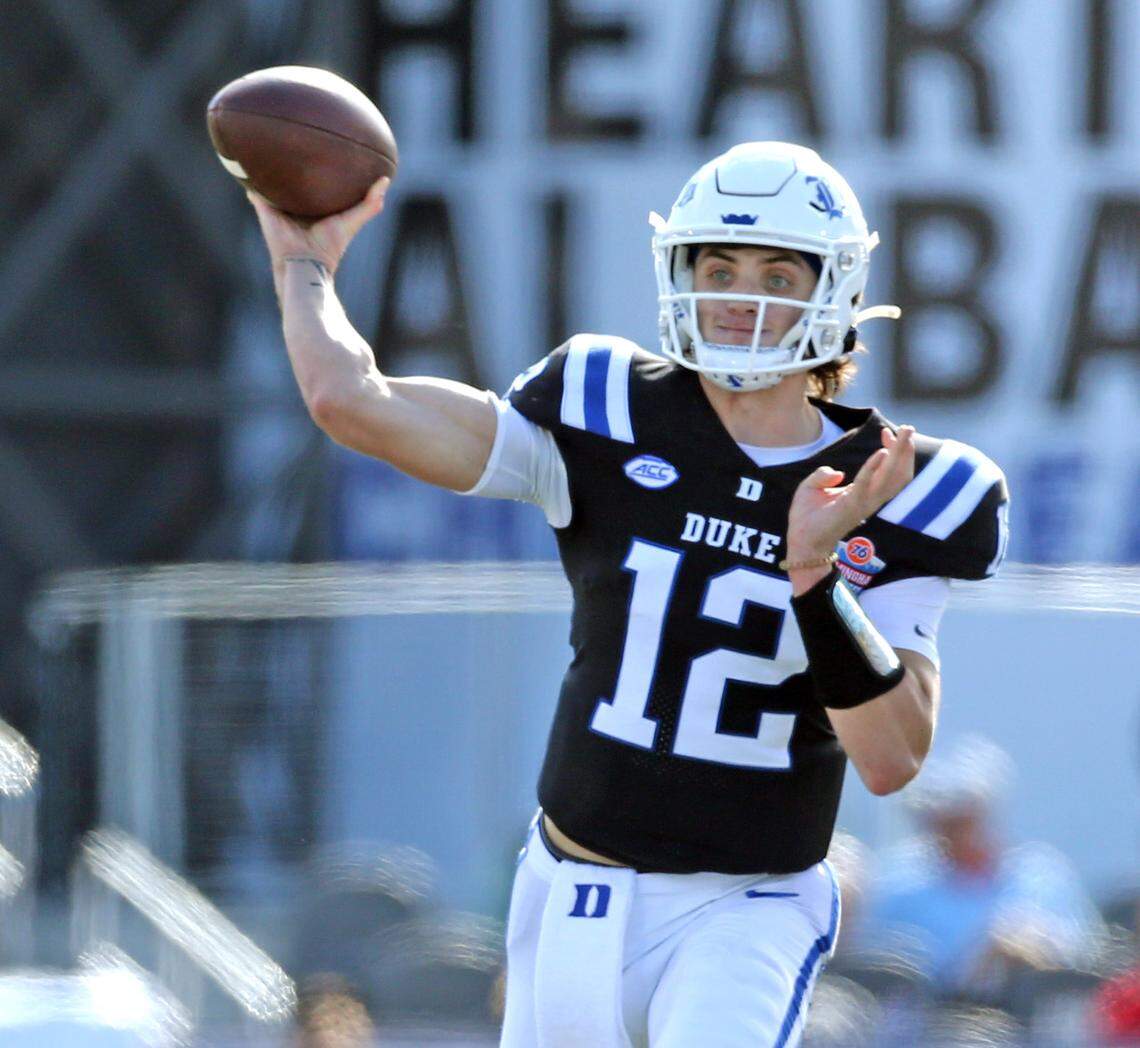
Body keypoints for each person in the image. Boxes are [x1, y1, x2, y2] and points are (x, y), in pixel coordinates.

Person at [248, 141, 1009, 1047]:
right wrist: (303, 262)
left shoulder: (902, 484)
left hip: (748, 903)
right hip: (575, 887)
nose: (740, 294)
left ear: (836, 290)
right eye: (719, 265)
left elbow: (890, 759)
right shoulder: (604, 407)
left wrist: (815, 578)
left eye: (776, 269)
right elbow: (352, 400)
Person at [862, 735, 1104, 1000]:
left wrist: (1036, 949)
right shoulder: (901, 887)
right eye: (942, 821)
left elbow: (1086, 959)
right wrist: (981, 960)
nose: (952, 834)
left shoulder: (1045, 875)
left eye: (964, 820)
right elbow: (886, 977)